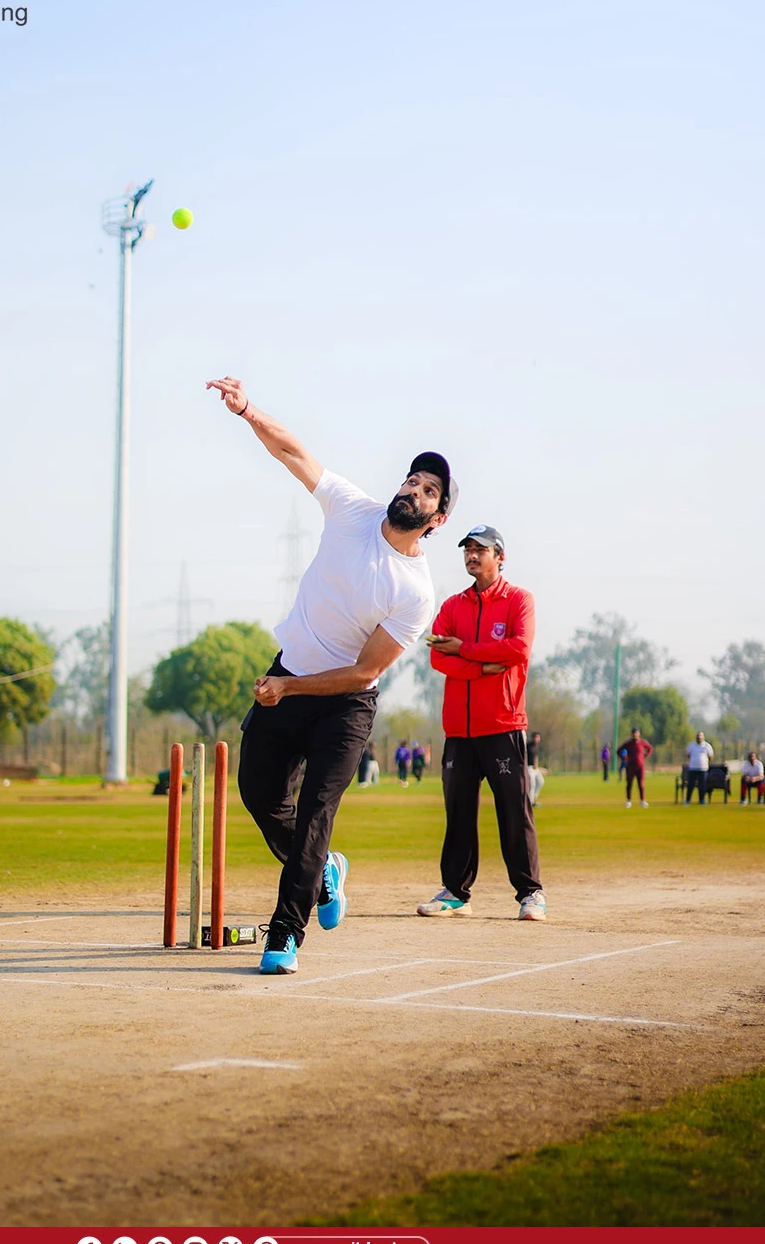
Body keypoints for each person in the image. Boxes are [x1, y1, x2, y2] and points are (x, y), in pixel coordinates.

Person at [207, 376, 456, 974]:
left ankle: (284, 936)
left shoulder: (416, 593)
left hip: (344, 707)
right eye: (411, 479)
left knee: (317, 811)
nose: (413, 491)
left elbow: (364, 671)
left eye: (428, 491)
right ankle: (326, 873)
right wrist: (247, 412)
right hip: (288, 675)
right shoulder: (352, 508)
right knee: (259, 796)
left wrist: (291, 688)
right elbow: (294, 451)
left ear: (437, 519)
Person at [417, 525, 546, 922]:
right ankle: (456, 892)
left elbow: (519, 648)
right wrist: (483, 667)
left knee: (513, 810)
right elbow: (438, 655)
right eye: (468, 550)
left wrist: (465, 650)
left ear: (499, 556)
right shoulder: (454, 606)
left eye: (481, 549)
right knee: (458, 812)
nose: (472, 556)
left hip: (503, 723)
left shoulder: (518, 600)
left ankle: (530, 893)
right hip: (459, 728)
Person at [617, 727, 653, 807]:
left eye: (636, 733)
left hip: (640, 766)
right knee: (629, 783)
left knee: (640, 784)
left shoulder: (642, 742)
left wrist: (645, 755)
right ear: (632, 734)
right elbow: (619, 750)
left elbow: (650, 748)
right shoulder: (628, 743)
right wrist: (624, 758)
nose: (635, 735)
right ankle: (628, 800)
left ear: (638, 734)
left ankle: (642, 800)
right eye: (633, 733)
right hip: (630, 766)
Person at [684, 730, 714, 805]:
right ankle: (688, 800)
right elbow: (688, 755)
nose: (699, 738)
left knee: (702, 785)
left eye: (700, 736)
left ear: (703, 737)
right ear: (696, 737)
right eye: (698, 737)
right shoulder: (691, 745)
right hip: (693, 768)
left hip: (703, 769)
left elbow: (710, 757)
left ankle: (702, 800)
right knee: (690, 784)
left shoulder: (707, 746)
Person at [526, 731, 545, 806]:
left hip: (535, 768)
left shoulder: (537, 746)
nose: (537, 739)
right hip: (528, 767)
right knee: (532, 784)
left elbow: (536, 757)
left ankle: (534, 797)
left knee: (541, 781)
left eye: (538, 737)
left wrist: (537, 766)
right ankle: (530, 801)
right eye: (535, 737)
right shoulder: (528, 746)